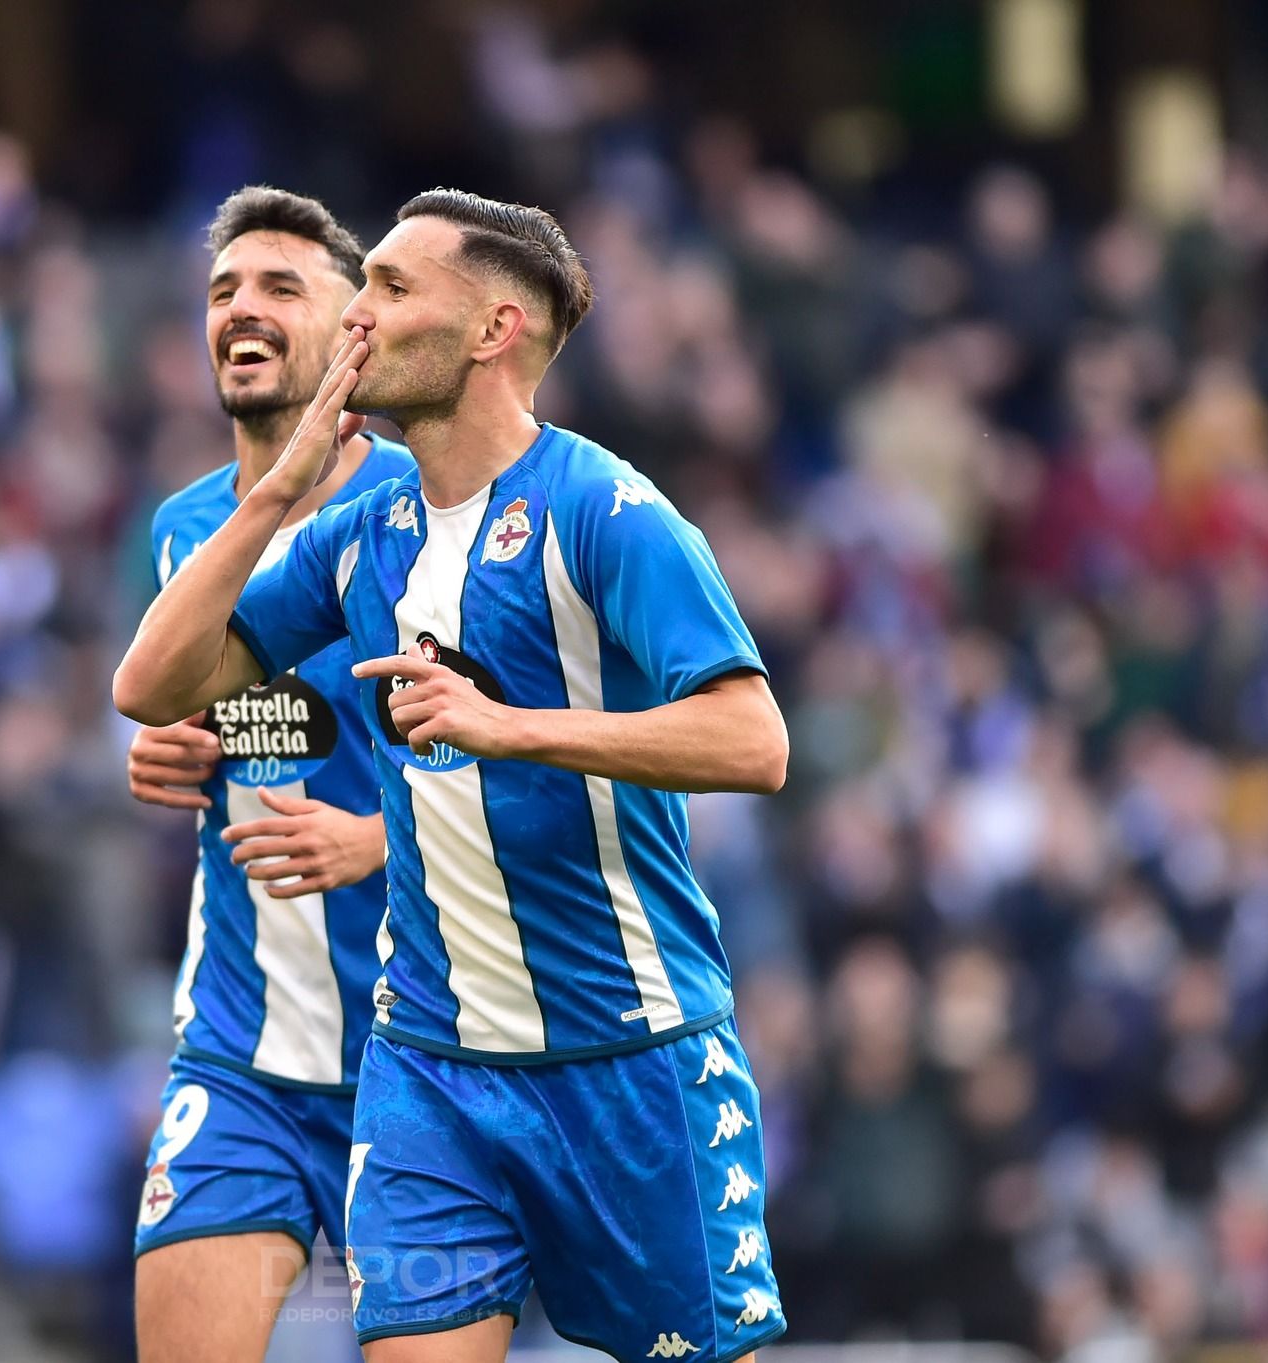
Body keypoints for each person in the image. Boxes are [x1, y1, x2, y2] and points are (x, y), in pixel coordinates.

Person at [115, 187, 790, 1363]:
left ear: (491, 332)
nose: (358, 318)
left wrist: (505, 727)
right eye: (359, 283)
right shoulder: (341, 535)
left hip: (627, 1054)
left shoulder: (606, 510)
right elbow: (154, 684)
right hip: (425, 1066)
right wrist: (274, 495)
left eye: (383, 287)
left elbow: (754, 743)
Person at [125, 186, 416, 1363]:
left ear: (356, 329)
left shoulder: (435, 513)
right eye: (222, 291)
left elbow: (569, 774)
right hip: (244, 1052)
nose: (241, 307)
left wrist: (377, 842)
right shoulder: (183, 527)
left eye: (280, 286)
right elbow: (235, 708)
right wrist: (167, 745)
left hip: (425, 1056)